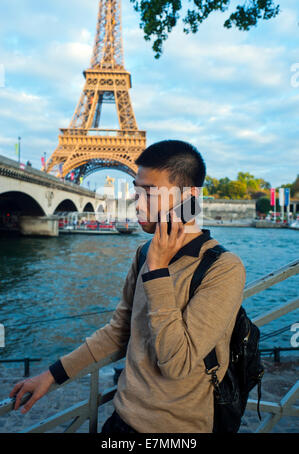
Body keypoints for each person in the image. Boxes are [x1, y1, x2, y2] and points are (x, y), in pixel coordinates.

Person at [9, 140, 246, 433]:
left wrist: (158, 271)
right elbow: (118, 331)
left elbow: (178, 365)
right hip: (120, 419)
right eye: (137, 191)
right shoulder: (144, 253)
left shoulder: (224, 268)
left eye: (151, 193)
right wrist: (52, 374)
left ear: (190, 198)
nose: (138, 203)